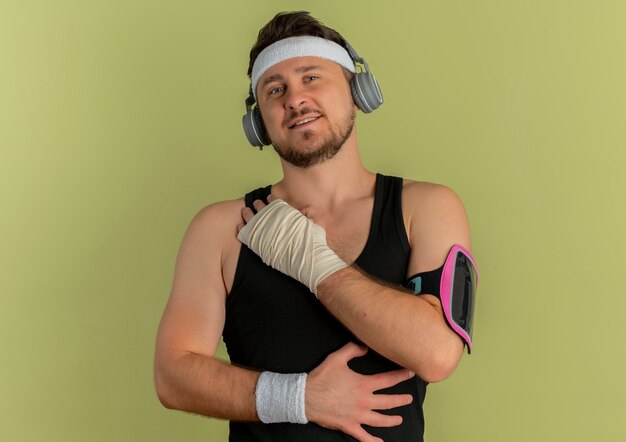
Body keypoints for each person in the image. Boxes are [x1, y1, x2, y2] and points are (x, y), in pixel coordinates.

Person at [154, 11, 474, 442]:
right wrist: (300, 398)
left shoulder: (426, 208)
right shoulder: (221, 229)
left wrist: (312, 261)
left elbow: (436, 353)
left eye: (311, 78)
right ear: (258, 124)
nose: (294, 99)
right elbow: (173, 375)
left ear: (358, 91)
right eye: (275, 89)